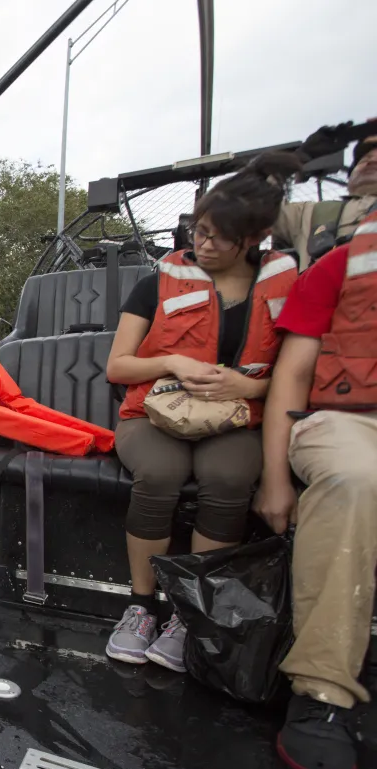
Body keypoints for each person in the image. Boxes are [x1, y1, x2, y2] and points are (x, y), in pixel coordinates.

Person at [104, 153, 301, 670]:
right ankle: (141, 606)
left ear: (254, 236)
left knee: (230, 476)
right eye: (198, 231)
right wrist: (172, 360)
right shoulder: (155, 284)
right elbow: (118, 367)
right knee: (160, 473)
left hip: (237, 418)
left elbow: (299, 373)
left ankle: (189, 614)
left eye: (217, 236)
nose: (203, 243)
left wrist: (248, 388)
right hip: (152, 416)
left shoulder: (287, 289)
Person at [253, 206, 377, 769]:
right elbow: (293, 374)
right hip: (348, 419)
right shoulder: (336, 266)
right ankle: (322, 687)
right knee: (357, 479)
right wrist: (275, 478)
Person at [274, 131, 377, 270]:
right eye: (365, 159)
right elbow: (249, 207)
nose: (372, 161)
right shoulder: (307, 214)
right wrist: (296, 159)